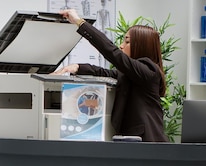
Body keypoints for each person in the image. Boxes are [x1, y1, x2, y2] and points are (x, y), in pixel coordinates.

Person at [54, 8, 169, 142]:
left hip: (148, 144)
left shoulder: (149, 71)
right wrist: (77, 67)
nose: (121, 46)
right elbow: (107, 73)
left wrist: (79, 22)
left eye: (127, 41)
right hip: (134, 143)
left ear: (141, 45)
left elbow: (111, 52)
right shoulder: (134, 75)